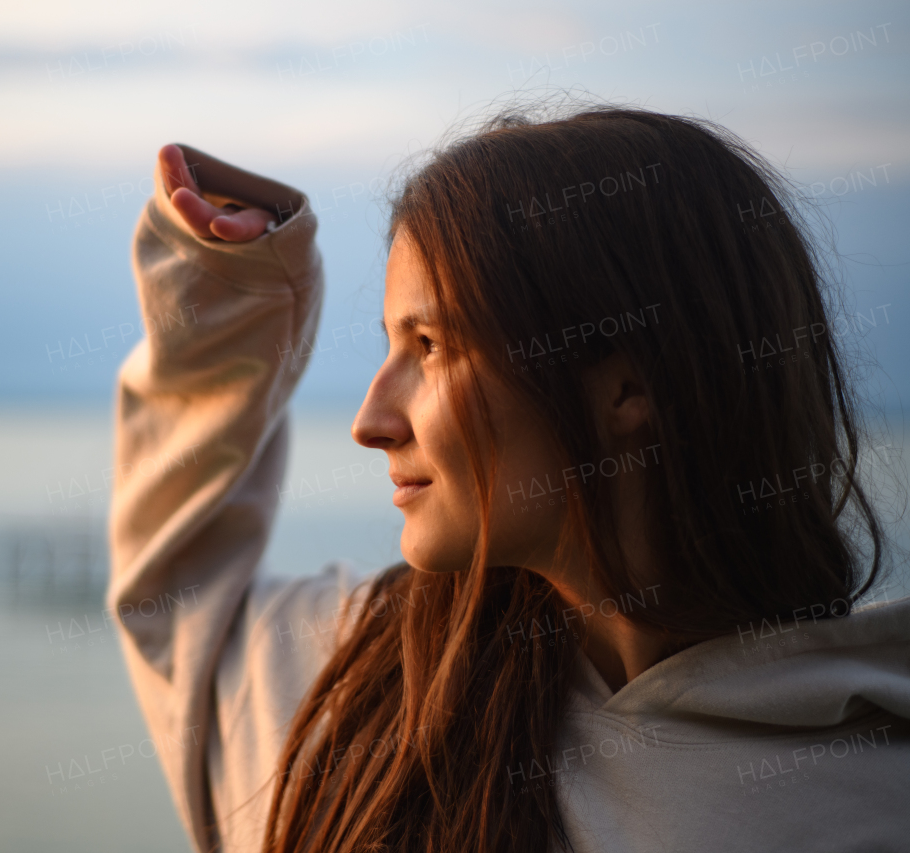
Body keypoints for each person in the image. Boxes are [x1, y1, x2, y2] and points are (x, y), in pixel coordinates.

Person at [107, 103, 910, 853]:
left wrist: (227, 312)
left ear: (629, 388)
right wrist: (229, 289)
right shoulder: (366, 689)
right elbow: (181, 612)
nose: (370, 421)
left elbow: (181, 606)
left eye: (430, 345)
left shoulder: (867, 795)